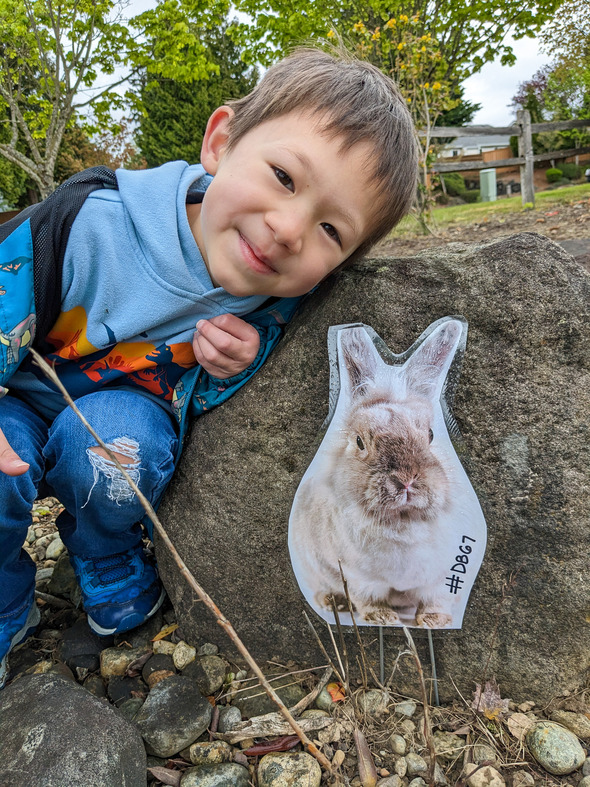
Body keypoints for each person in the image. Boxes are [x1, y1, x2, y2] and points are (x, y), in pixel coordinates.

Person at [0, 47, 418, 687]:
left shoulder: (281, 296)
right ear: (222, 141)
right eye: (284, 177)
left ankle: (106, 554)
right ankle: (6, 603)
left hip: (123, 405)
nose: (287, 230)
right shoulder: (91, 225)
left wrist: (236, 366)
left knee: (116, 458)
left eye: (332, 230)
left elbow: (206, 398)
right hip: (21, 395)